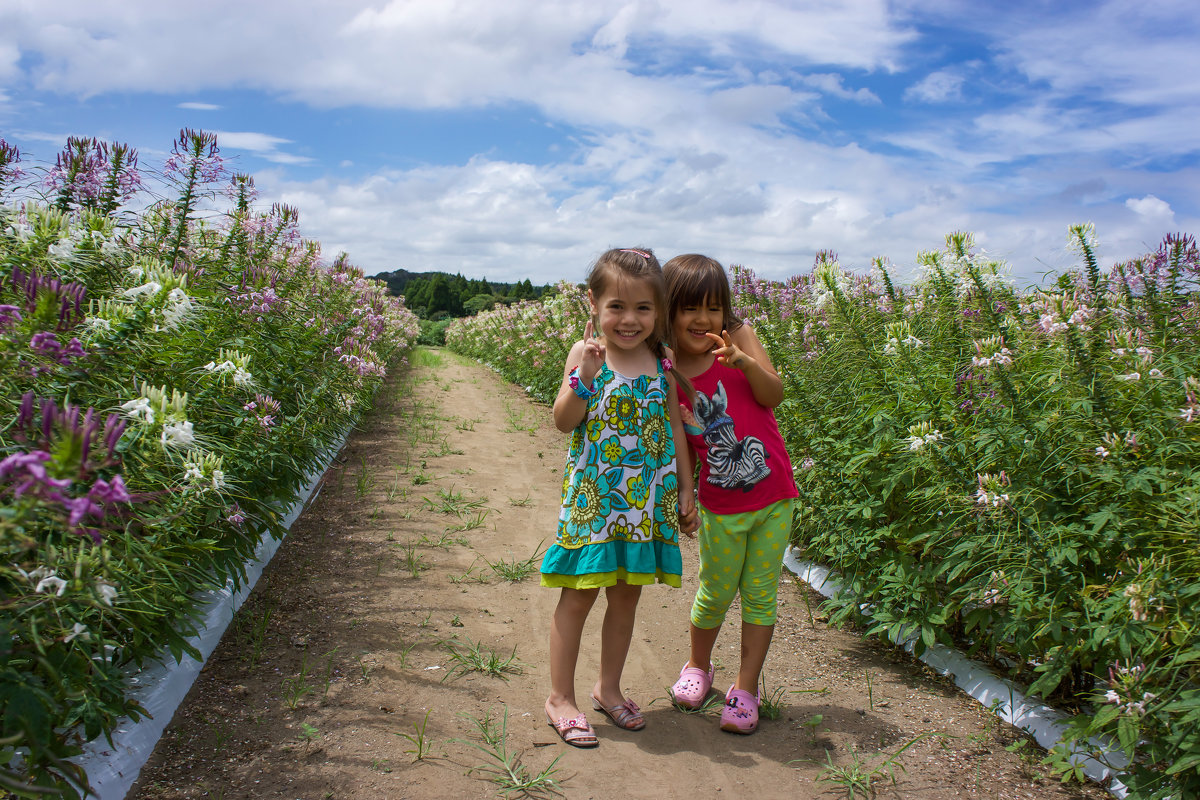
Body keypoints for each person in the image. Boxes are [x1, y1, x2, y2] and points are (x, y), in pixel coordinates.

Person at [541, 247, 698, 748]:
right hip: (595, 505)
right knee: (578, 595)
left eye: (643, 309)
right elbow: (563, 421)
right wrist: (583, 379)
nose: (629, 320)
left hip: (643, 505)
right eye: (616, 307)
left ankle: (608, 689)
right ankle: (559, 698)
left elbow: (674, 429)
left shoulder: (661, 362)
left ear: (659, 311)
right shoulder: (586, 355)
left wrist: (686, 490)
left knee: (626, 597)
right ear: (594, 303)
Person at [663, 254, 798, 735]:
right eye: (690, 309)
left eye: (714, 308)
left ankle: (746, 688)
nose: (704, 320)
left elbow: (773, 394)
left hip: (774, 497)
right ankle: (697, 667)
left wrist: (742, 362)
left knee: (760, 596)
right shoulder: (668, 369)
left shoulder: (739, 338)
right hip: (720, 506)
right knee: (716, 591)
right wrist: (686, 492)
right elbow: (684, 441)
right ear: (668, 311)